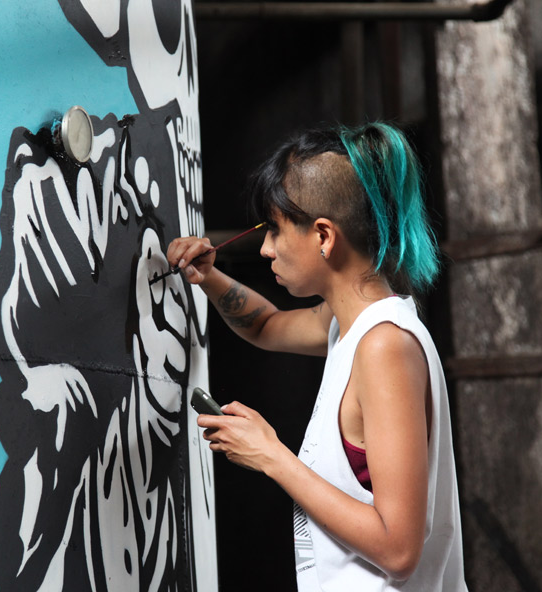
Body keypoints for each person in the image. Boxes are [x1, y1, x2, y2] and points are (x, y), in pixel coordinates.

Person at [166, 122, 467, 591]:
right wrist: (209, 276)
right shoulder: (347, 323)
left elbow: (399, 550)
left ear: (324, 236)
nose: (265, 249)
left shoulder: (384, 345)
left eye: (275, 230)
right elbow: (265, 326)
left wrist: (272, 456)